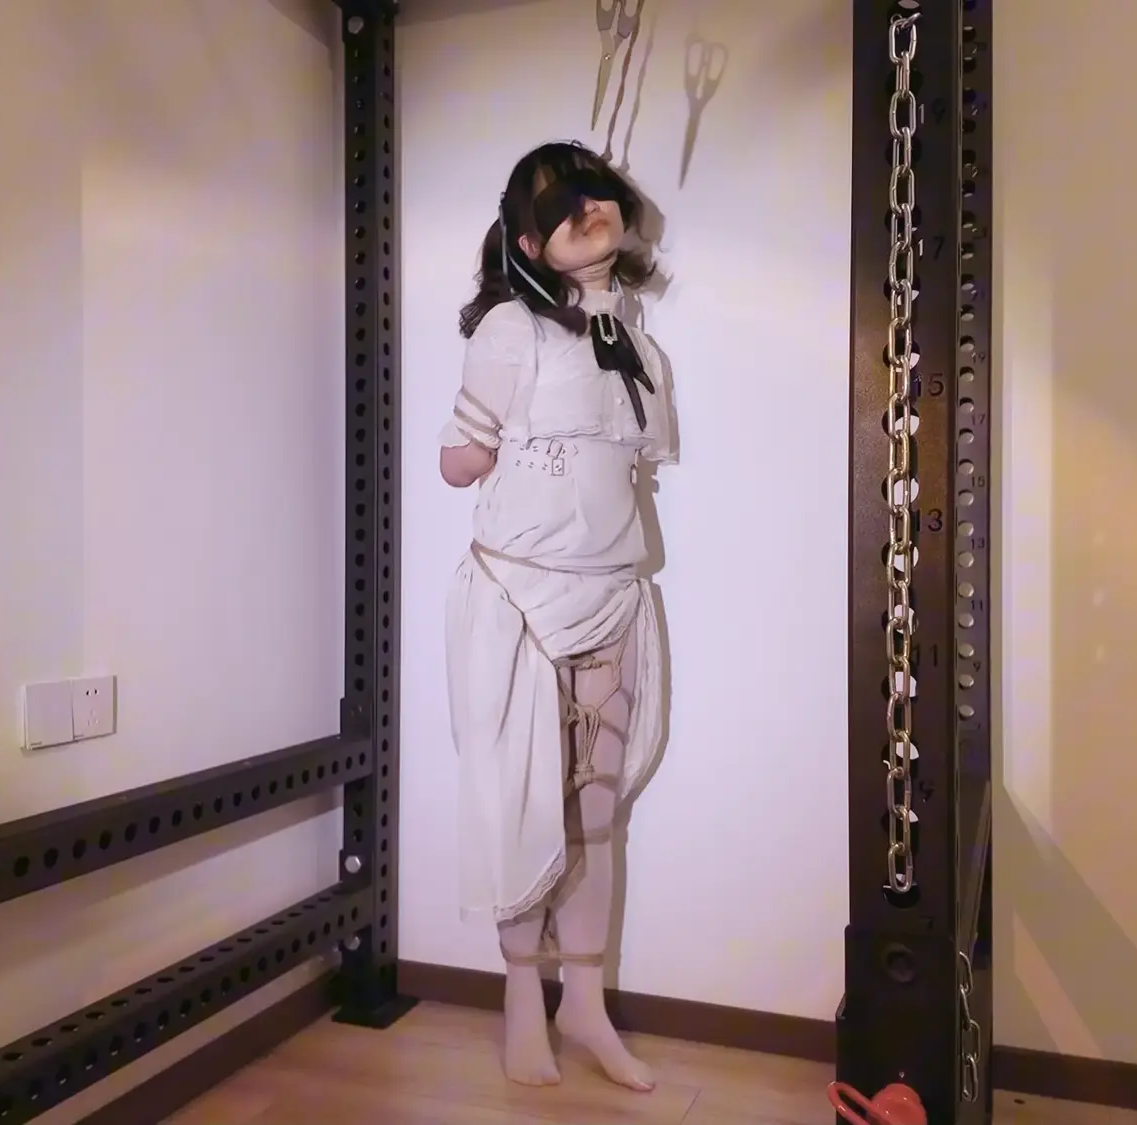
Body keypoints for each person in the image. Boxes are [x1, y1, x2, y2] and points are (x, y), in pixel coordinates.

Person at [439, 140, 674, 1093]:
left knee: (598, 818)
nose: (588, 209)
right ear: (530, 243)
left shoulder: (635, 340)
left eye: (595, 192)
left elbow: (636, 457)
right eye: (560, 204)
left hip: (611, 596)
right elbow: (457, 461)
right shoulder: (509, 331)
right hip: (520, 605)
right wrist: (491, 445)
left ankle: (584, 1006)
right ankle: (520, 1004)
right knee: (523, 809)